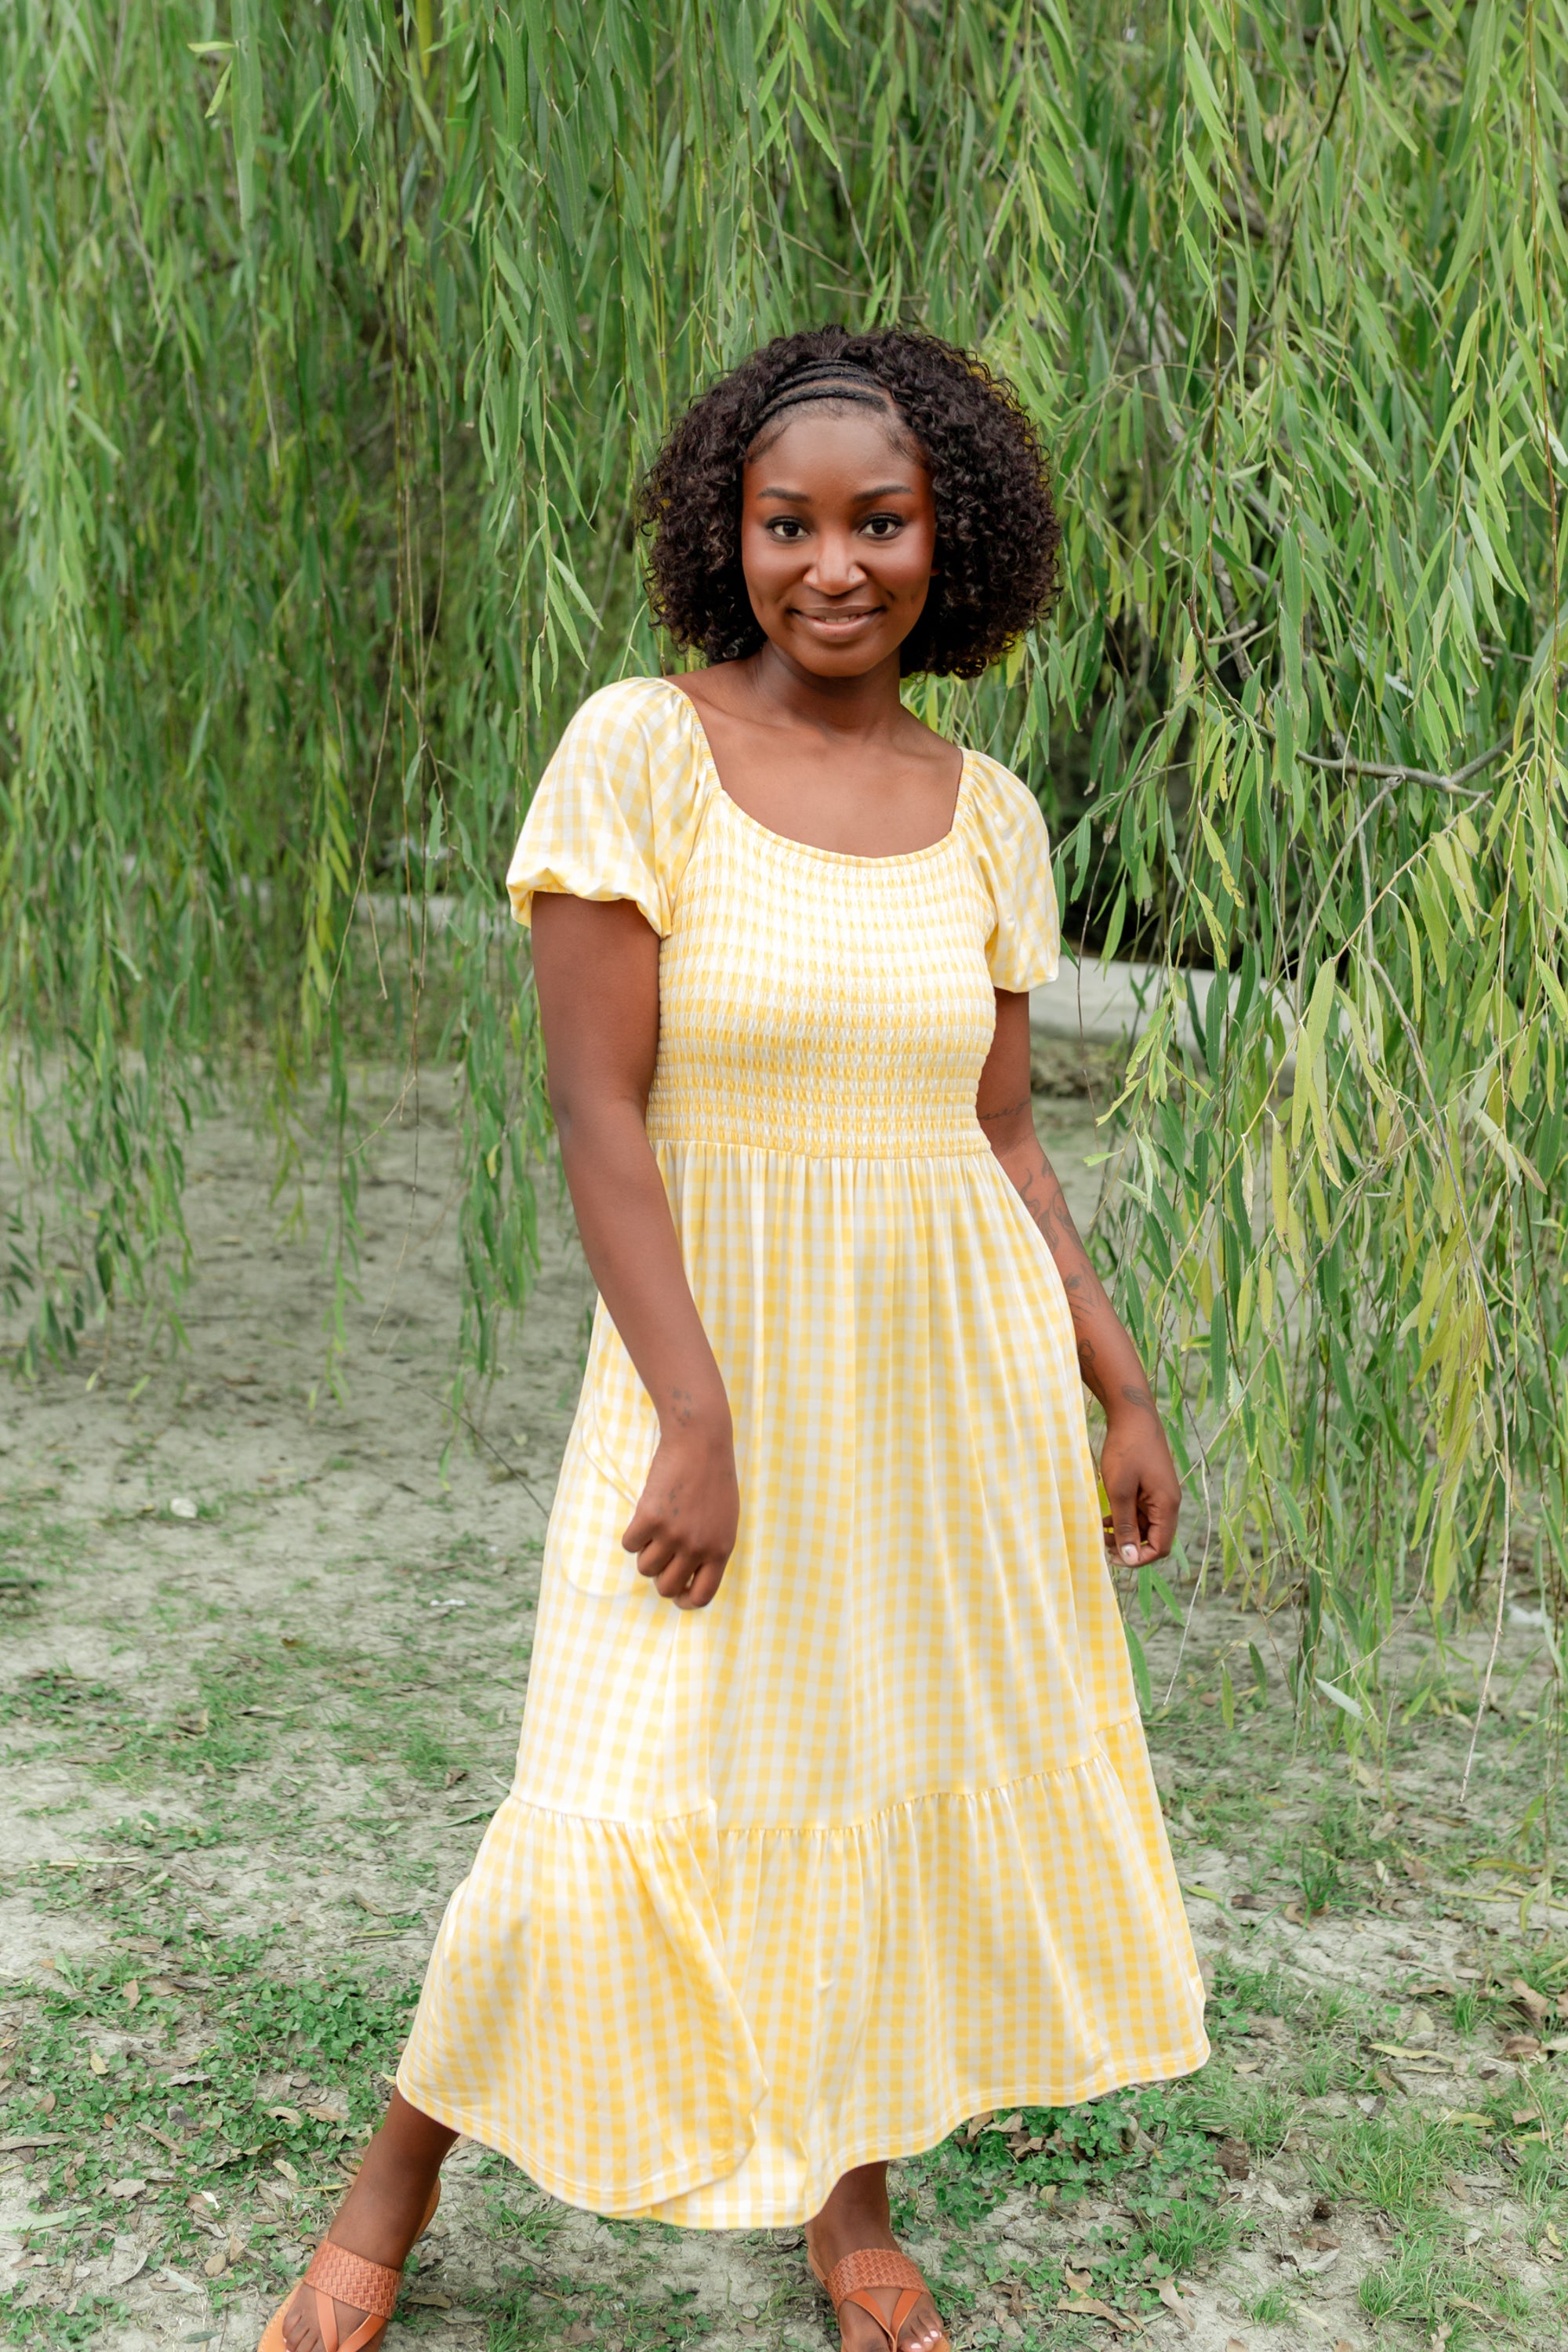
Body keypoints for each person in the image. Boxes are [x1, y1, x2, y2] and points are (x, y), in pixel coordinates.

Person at [263, 325, 1207, 2352]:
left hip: (930, 1391)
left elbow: (1006, 1139)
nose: (834, 565)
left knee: (856, 1775)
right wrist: (691, 1410)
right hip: (708, 1376)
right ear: (732, 533)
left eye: (882, 521)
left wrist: (1116, 1384)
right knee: (603, 1797)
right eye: (791, 524)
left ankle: (845, 2203)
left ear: (957, 539)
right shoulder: (641, 750)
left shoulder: (989, 815)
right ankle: (386, 2192)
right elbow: (601, 1116)